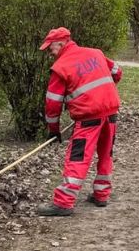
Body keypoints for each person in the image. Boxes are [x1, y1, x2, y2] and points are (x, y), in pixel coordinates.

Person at [40, 27, 122, 216]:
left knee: (77, 158)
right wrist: (102, 94)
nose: (49, 53)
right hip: (111, 113)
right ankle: (101, 194)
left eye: (50, 48)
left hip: (88, 119)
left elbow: (52, 105)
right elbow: (117, 72)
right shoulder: (95, 53)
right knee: (105, 153)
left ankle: (64, 202)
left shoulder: (60, 68)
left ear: (61, 43)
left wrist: (53, 130)